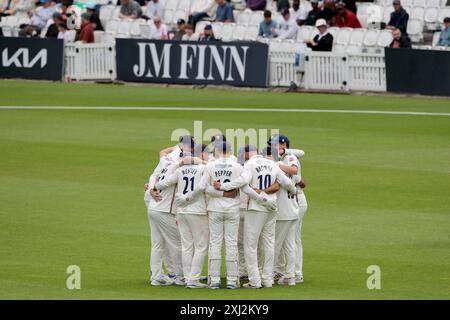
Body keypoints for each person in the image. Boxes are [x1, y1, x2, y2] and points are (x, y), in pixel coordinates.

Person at [216, 145, 296, 289]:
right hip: (272, 207)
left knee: (250, 245)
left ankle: (255, 280)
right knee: (269, 243)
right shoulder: (273, 164)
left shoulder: (249, 164)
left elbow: (242, 182)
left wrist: (222, 186)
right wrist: (293, 190)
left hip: (255, 208)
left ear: (247, 154)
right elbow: (288, 183)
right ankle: (267, 279)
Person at [154, 145, 210, 289]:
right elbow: (205, 184)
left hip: (182, 212)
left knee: (186, 246)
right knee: (201, 246)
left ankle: (186, 277)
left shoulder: (180, 170)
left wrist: (152, 187)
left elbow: (162, 183)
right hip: (197, 211)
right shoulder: (205, 168)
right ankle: (193, 280)